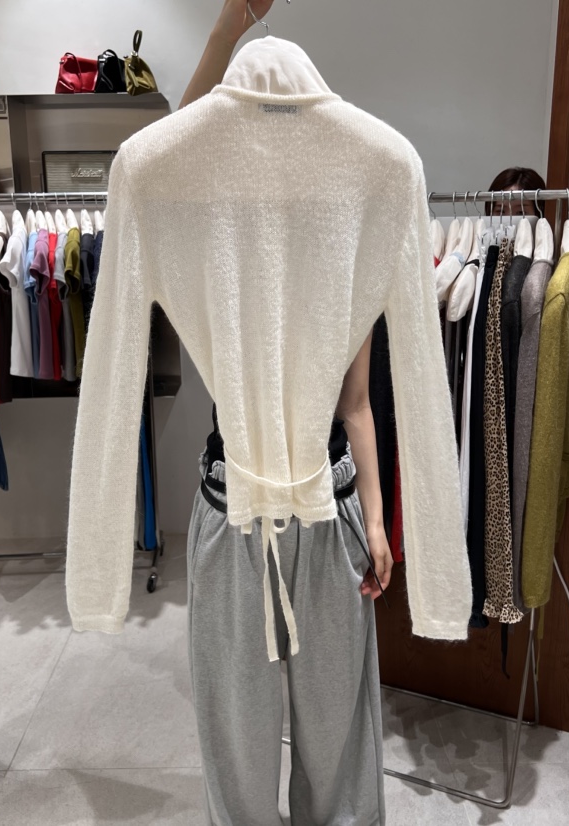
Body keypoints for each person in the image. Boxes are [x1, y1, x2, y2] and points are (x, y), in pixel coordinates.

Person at [180, 0, 393, 822]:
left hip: (329, 512)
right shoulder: (214, 249)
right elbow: (161, 158)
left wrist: (378, 523)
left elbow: (358, 406)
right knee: (236, 743)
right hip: (232, 512)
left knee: (339, 741)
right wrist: (229, 25)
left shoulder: (348, 259)